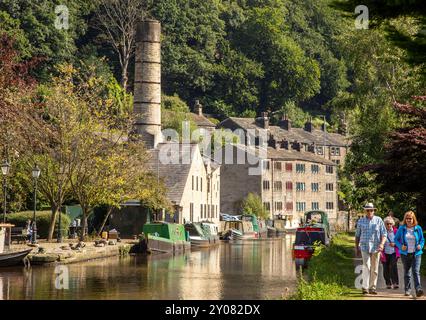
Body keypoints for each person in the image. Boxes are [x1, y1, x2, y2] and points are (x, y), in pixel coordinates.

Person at [355, 202, 387, 295]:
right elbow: (357, 235)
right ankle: (365, 288)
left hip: (376, 247)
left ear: (374, 211)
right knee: (366, 267)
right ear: (365, 211)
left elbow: (384, 234)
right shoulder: (361, 221)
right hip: (364, 246)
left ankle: (372, 288)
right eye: (368, 210)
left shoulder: (379, 220)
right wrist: (356, 247)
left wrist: (382, 244)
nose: (369, 212)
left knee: (375, 268)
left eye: (371, 210)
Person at [394, 211, 424, 297]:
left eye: (410, 218)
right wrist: (400, 246)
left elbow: (422, 240)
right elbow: (396, 240)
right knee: (407, 272)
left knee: (416, 271)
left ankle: (418, 289)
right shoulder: (402, 228)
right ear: (405, 219)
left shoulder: (418, 228)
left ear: (413, 219)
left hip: (416, 253)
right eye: (407, 218)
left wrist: (420, 246)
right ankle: (407, 290)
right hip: (405, 254)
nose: (408, 220)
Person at [380, 217, 400, 289]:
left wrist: (395, 244)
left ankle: (395, 283)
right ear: (384, 224)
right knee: (385, 268)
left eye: (390, 224)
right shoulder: (382, 232)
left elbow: (401, 242)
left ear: (393, 224)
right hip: (384, 253)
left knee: (393, 266)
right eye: (387, 224)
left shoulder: (396, 231)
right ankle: (388, 283)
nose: (389, 225)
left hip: (394, 253)